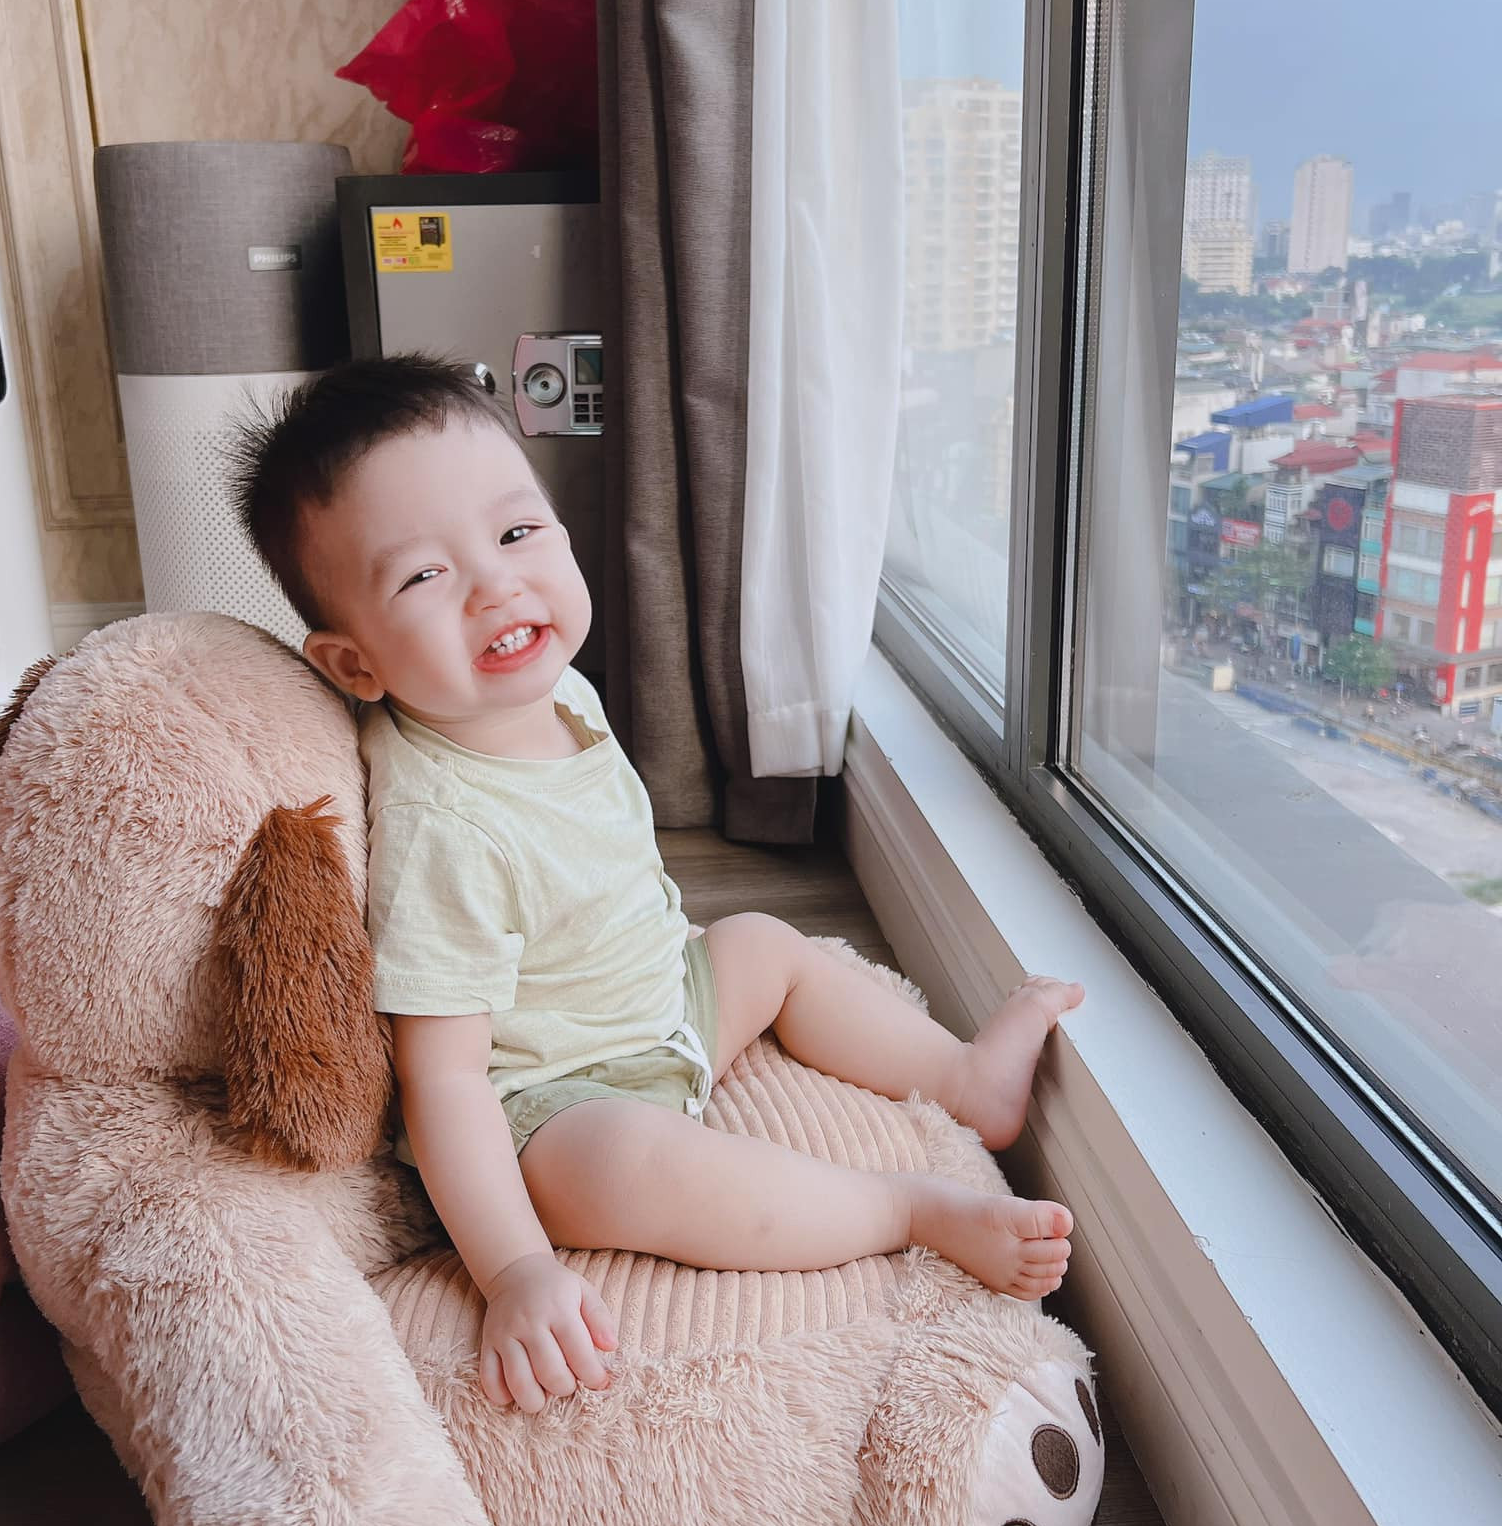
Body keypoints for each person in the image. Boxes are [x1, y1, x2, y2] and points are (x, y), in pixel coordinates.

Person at [233, 355, 1081, 1414]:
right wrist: (515, 1269)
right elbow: (444, 1080)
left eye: (516, 532)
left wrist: (683, 987)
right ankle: (903, 1209)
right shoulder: (444, 827)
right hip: (557, 1103)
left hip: (662, 1006)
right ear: (355, 665)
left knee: (765, 943)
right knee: (634, 1164)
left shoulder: (560, 691)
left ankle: (962, 1079)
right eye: (423, 577)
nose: (497, 586)